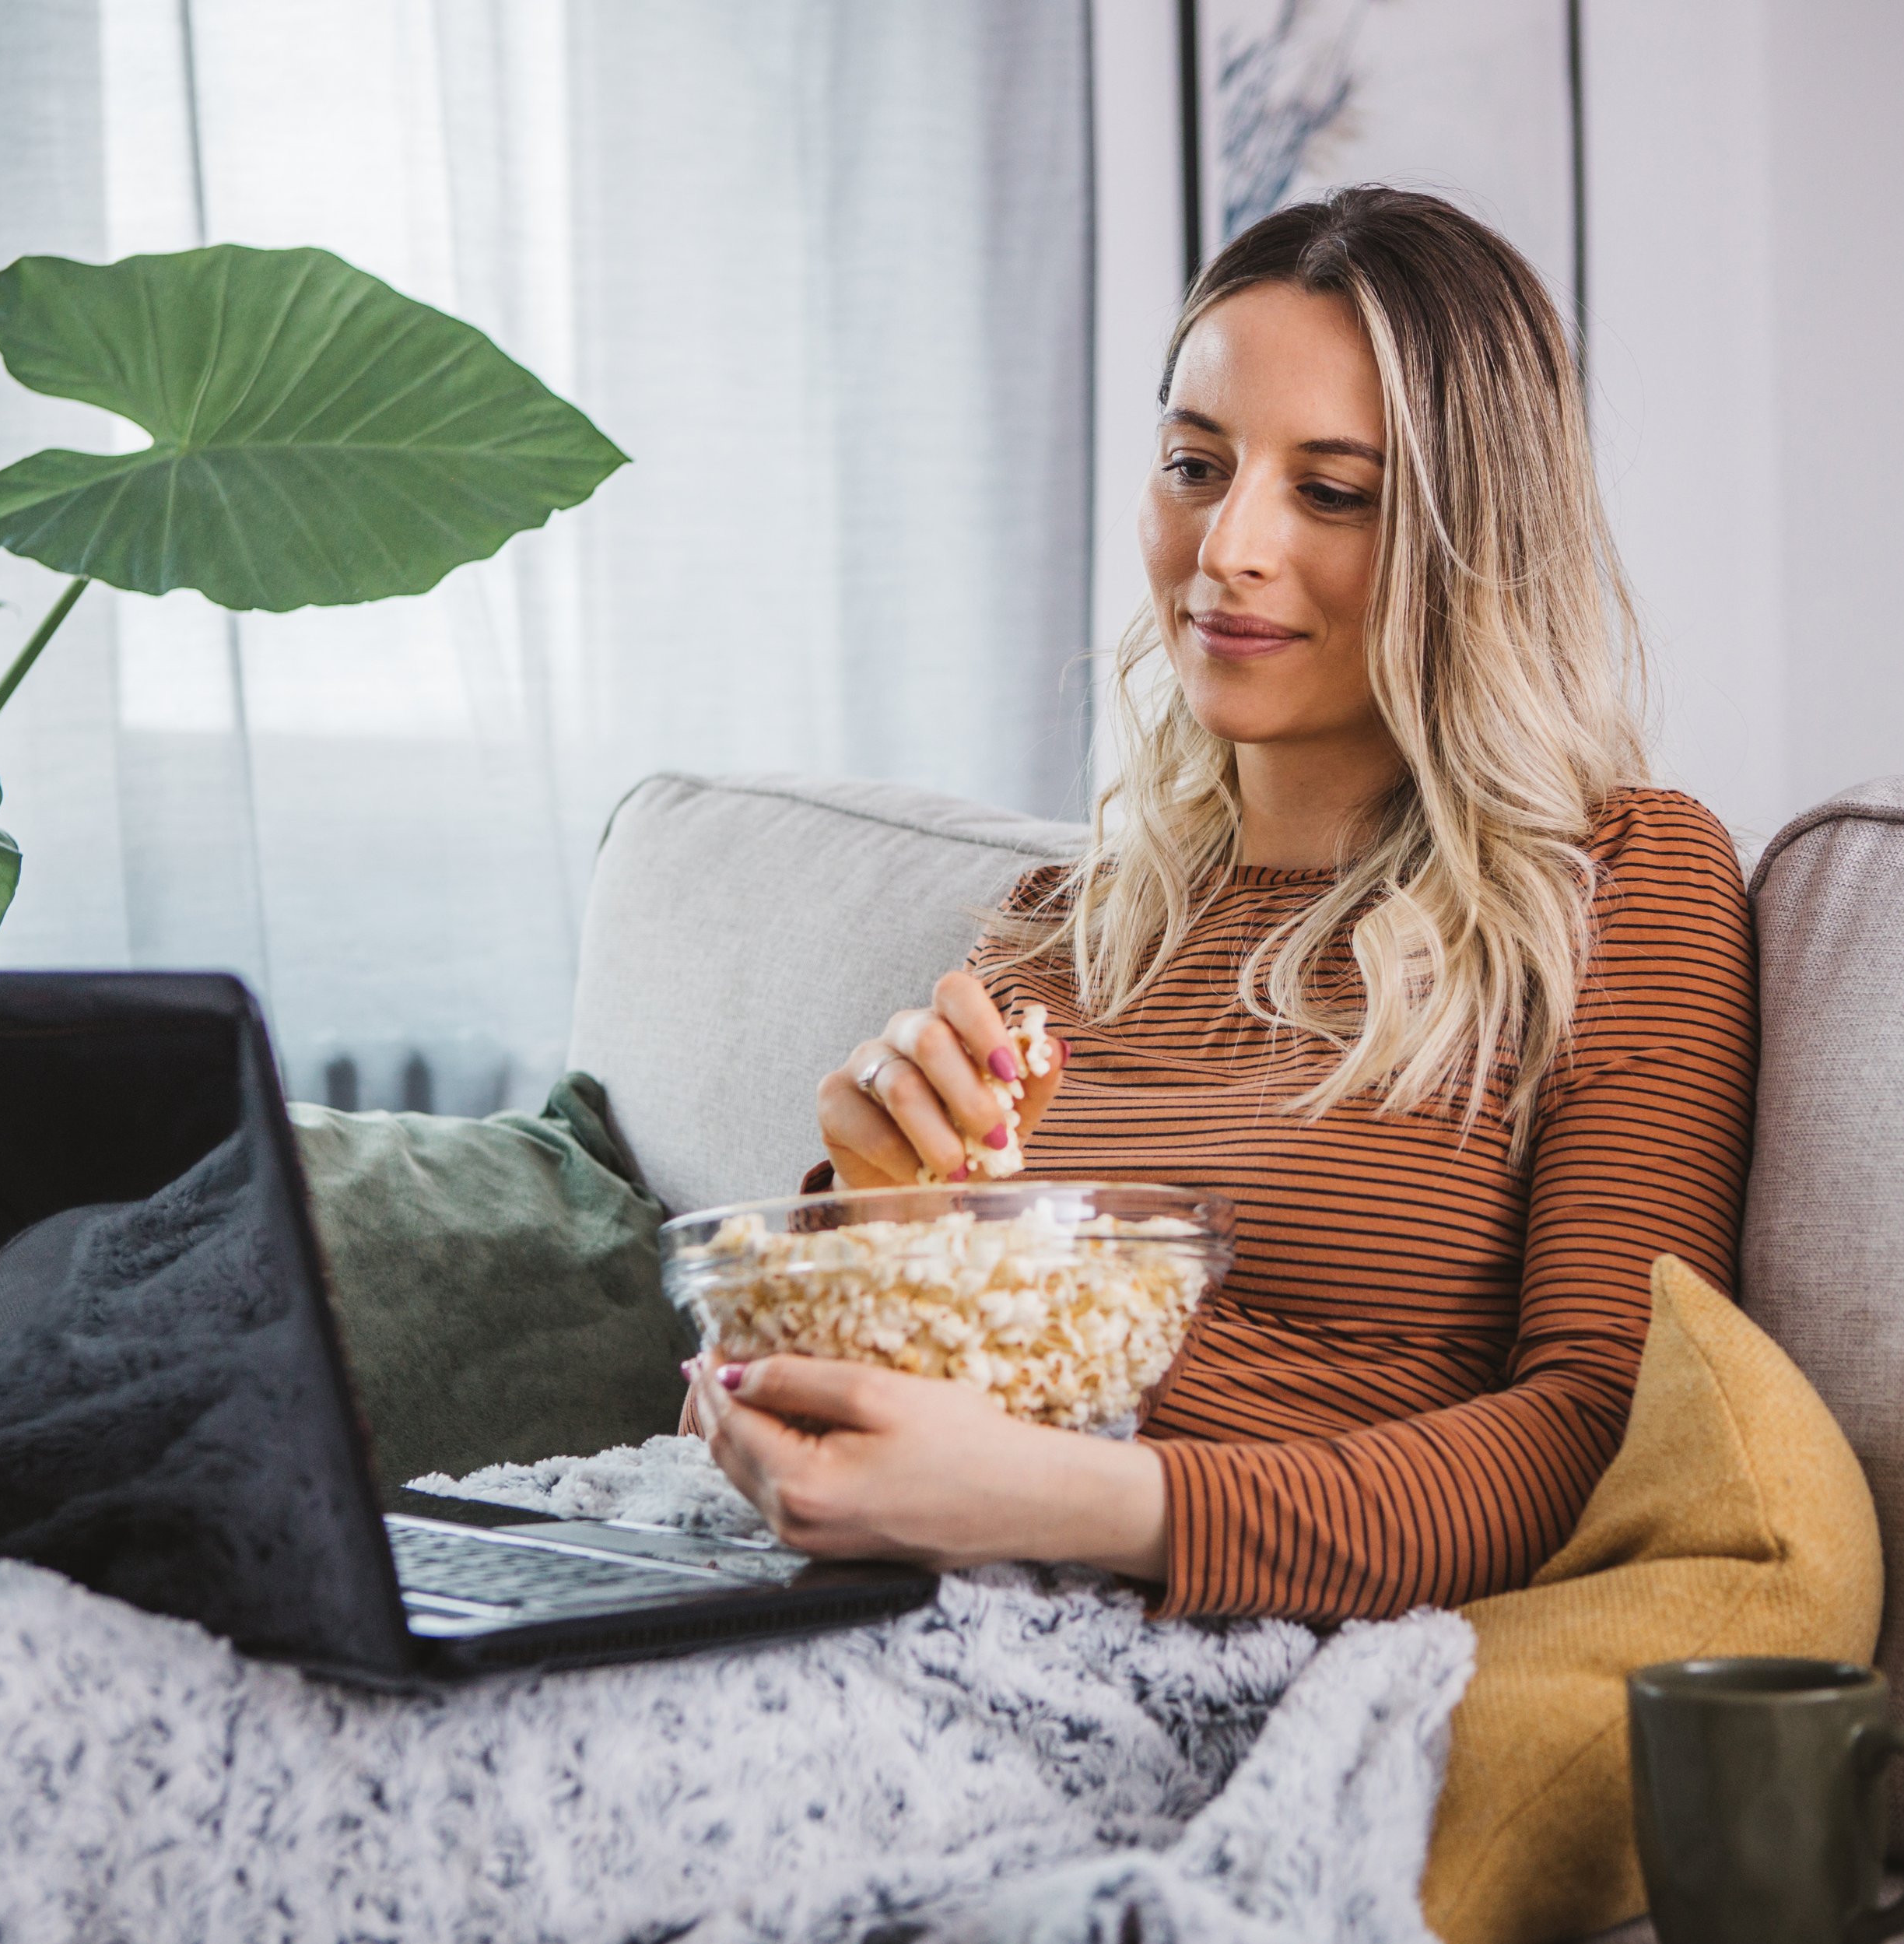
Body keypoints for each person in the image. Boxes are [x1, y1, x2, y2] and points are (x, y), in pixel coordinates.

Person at [686, 187, 1755, 1623]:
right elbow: (825, 1405)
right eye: (1196, 464)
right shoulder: (1057, 927)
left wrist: (1069, 1504)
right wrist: (875, 1220)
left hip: (1215, 1636)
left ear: (1471, 536)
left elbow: (1594, 1437)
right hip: (880, 1584)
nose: (1228, 547)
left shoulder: (1620, 884)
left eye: (1332, 491)